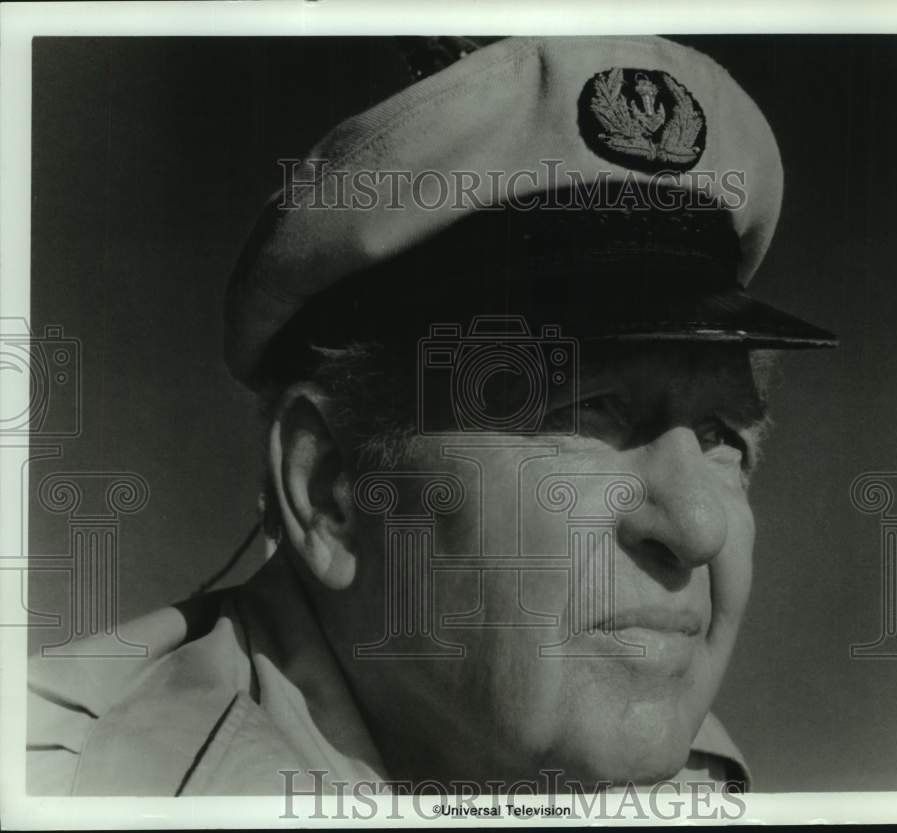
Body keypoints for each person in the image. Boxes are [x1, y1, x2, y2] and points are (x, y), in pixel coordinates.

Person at [26, 35, 835, 796]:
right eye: (590, 410)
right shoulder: (44, 781)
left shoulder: (711, 792)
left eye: (724, 435)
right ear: (335, 493)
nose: (699, 527)